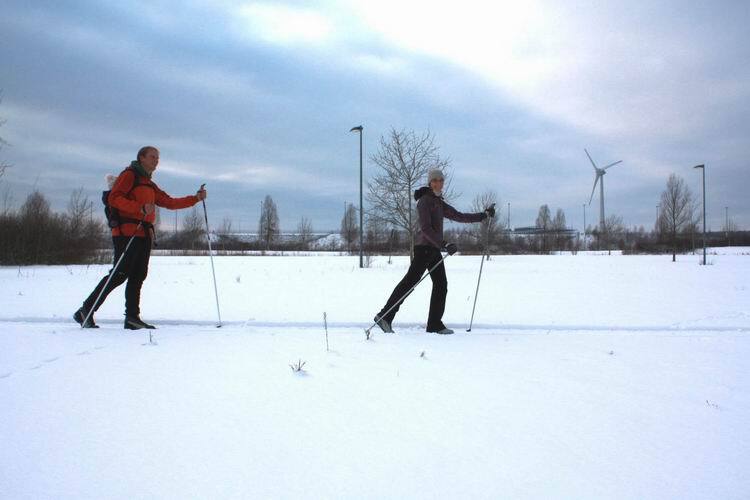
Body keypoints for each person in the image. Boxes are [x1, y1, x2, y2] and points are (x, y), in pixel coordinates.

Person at [74, 146, 207, 330]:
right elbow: (114, 198)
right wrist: (140, 207)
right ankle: (85, 310)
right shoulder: (129, 175)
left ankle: (132, 318)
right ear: (141, 158)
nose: (156, 160)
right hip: (127, 232)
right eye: (152, 157)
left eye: (158, 158)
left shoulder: (148, 183)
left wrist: (195, 198)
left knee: (138, 275)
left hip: (144, 233)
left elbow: (169, 202)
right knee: (119, 274)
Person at [373, 169, 495, 335]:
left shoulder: (438, 202)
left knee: (441, 285)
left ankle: (434, 324)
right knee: (410, 282)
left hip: (433, 249)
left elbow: (458, 215)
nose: (439, 183)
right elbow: (425, 229)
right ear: (430, 183)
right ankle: (384, 316)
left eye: (441, 180)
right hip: (424, 248)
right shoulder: (425, 201)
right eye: (435, 180)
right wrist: (444, 243)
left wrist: (483, 215)